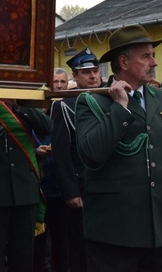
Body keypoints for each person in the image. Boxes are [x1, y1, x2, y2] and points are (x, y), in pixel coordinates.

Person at [76, 25, 162, 271]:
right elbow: (91, 154)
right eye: (146, 56)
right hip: (113, 232)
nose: (154, 62)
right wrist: (120, 108)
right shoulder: (92, 100)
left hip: (159, 230)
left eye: (152, 55)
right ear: (123, 61)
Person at [0, 97, 52, 272]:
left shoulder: (22, 105)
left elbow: (47, 127)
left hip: (24, 191)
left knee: (23, 255)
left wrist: (20, 104)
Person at [50, 47, 101, 272]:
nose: (92, 76)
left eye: (95, 71)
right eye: (86, 72)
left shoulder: (108, 101)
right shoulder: (64, 106)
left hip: (107, 184)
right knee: (80, 245)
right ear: (75, 77)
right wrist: (70, 190)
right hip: (81, 184)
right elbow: (61, 153)